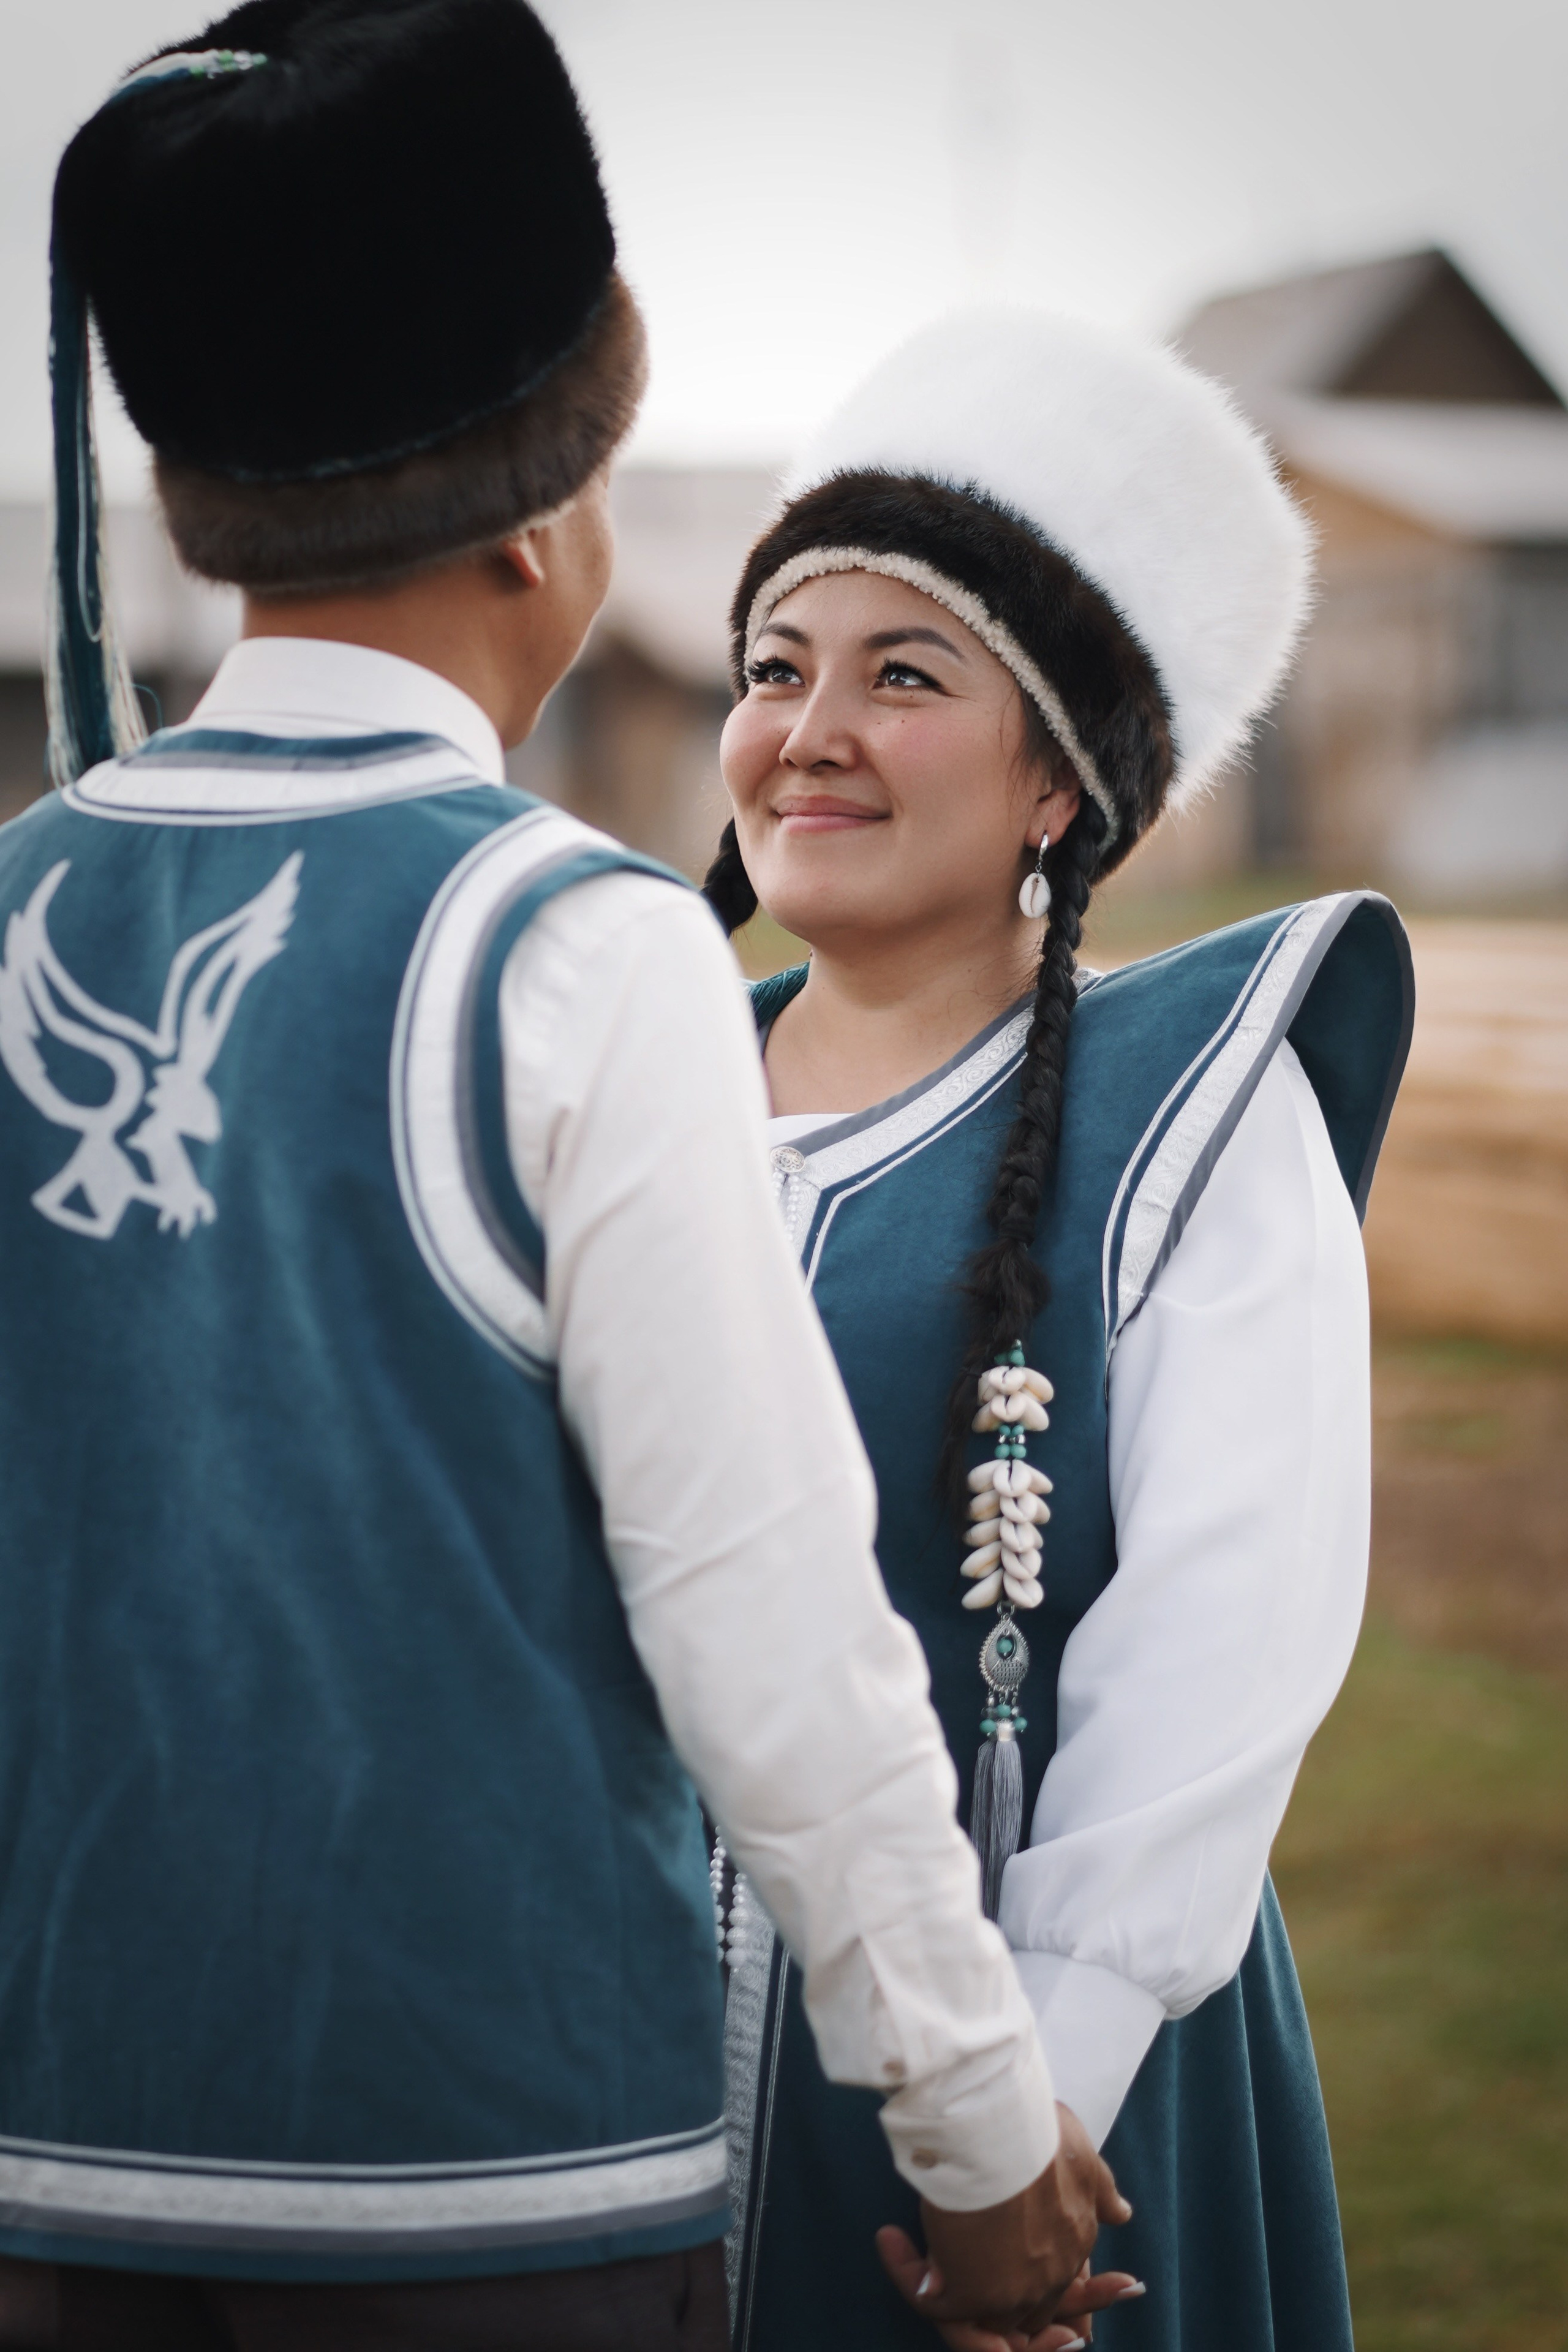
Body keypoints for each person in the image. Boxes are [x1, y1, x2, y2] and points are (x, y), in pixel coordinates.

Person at [0, 14, 1128, 2348]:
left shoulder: (13, 907)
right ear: (548, 516)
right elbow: (774, 1626)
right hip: (492, 2186)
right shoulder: (573, 945)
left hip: (51, 2164)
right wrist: (980, 2127)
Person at [703, 311, 1415, 2352]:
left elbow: (1227, 1630)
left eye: (902, 675)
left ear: (1057, 788)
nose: (808, 731)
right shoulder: (634, 1087)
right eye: (775, 668)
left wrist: (1028, 2105)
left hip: (1037, 2076)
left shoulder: (1191, 1105)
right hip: (612, 2084)